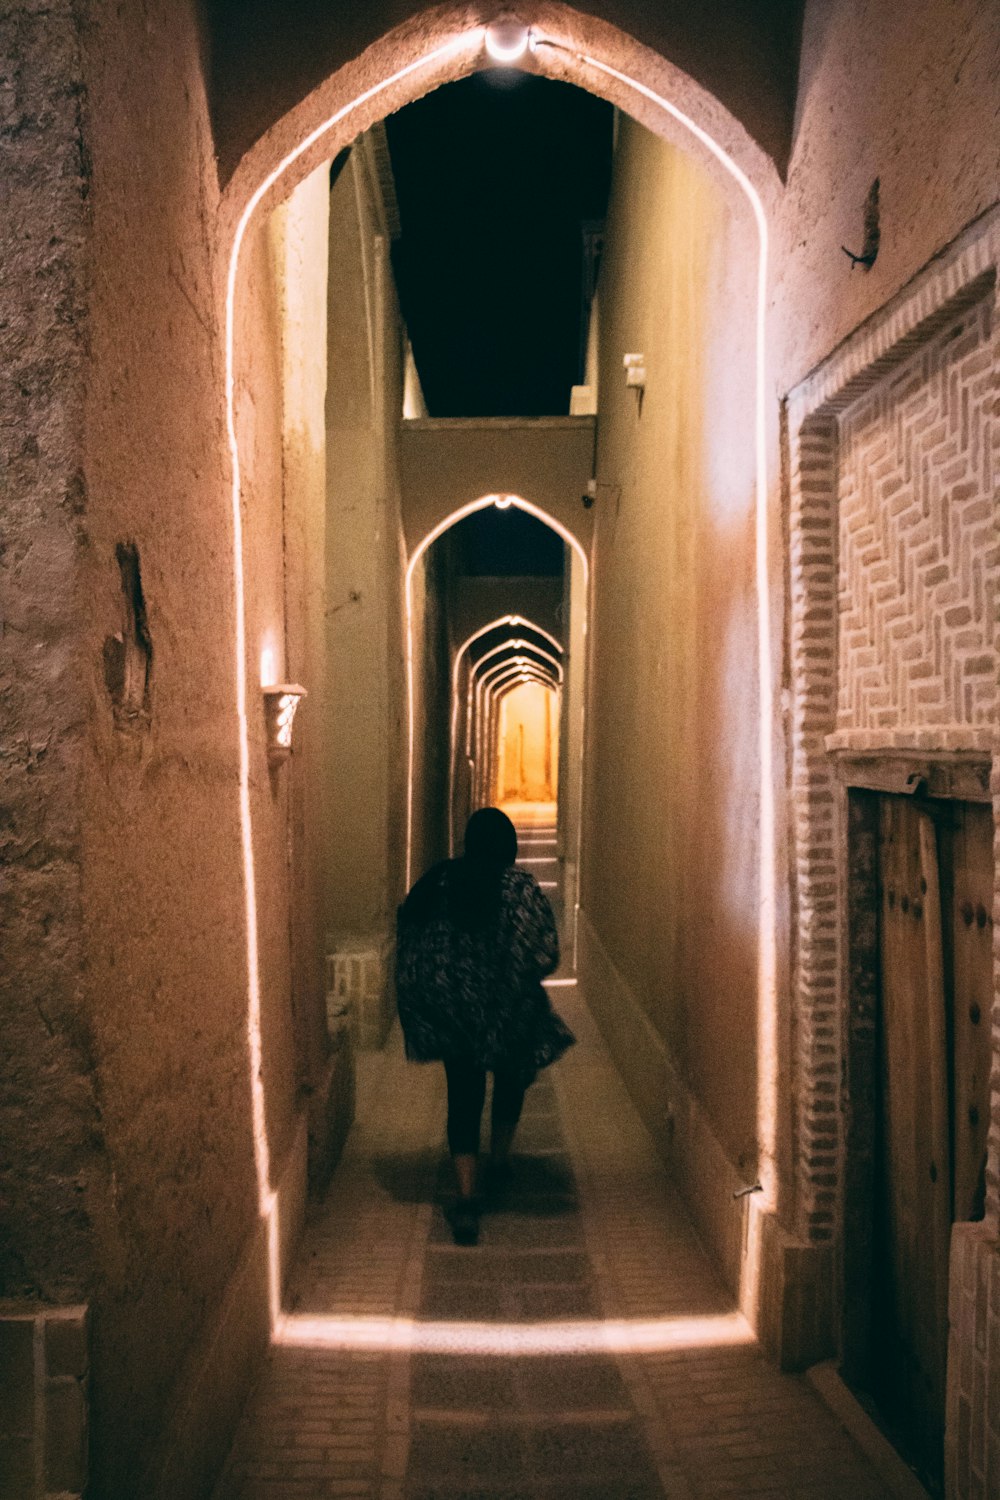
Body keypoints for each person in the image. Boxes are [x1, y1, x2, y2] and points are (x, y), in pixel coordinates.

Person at [396, 807, 575, 1244]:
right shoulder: (518, 889)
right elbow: (545, 953)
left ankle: (466, 1197)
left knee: (464, 1095)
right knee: (511, 1077)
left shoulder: (437, 882)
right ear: (509, 847)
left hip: (452, 1016)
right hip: (504, 1013)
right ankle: (498, 1160)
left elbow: (411, 941)